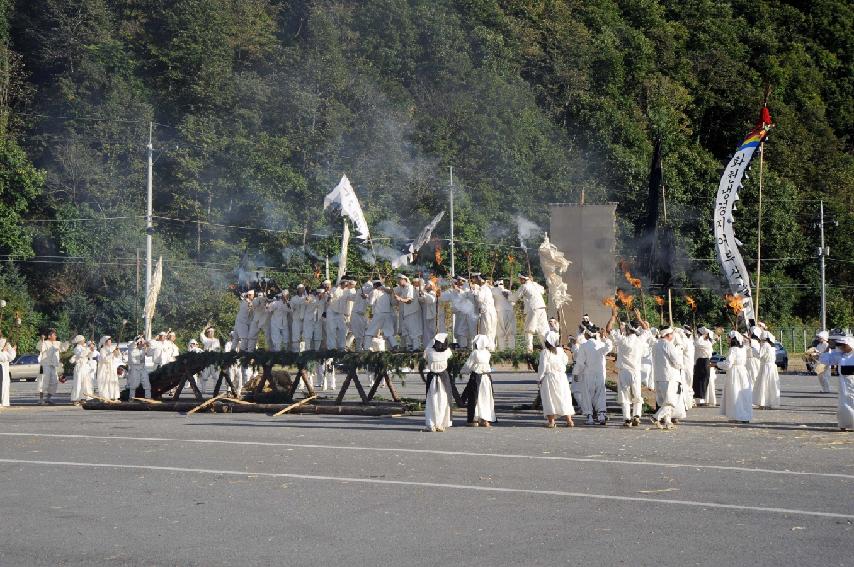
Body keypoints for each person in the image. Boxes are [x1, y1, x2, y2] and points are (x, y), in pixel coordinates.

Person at [606, 307, 648, 427]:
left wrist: (613, 316)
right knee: (637, 395)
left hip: (624, 372)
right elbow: (646, 329)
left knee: (625, 396)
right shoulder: (640, 340)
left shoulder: (622, 340)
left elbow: (608, 329)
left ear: (628, 330)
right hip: (635, 372)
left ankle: (627, 419)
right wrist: (639, 318)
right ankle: (637, 415)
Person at [573, 325, 612, 425]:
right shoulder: (601, 344)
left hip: (588, 374)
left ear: (587, 334)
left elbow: (580, 363)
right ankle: (601, 415)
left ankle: (590, 417)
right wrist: (605, 338)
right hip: (600, 374)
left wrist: (576, 373)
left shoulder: (584, 346)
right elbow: (609, 347)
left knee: (587, 396)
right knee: (600, 394)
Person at [538, 330, 574, 428]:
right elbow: (566, 361)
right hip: (562, 377)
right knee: (564, 397)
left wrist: (540, 378)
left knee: (550, 398)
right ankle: (569, 420)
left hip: (550, 377)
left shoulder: (545, 352)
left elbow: (542, 366)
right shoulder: (560, 351)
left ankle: (551, 421)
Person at [817, 336, 854, 431]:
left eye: (844, 346)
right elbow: (826, 359)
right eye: (841, 346)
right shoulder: (839, 355)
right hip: (844, 384)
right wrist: (818, 355)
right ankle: (844, 424)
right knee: (843, 405)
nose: (842, 348)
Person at [650, 327, 683, 430]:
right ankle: (656, 417)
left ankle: (668, 422)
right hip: (670, 377)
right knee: (670, 402)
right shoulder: (668, 345)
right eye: (672, 334)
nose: (672, 336)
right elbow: (676, 361)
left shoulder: (655, 345)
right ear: (668, 335)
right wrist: (681, 366)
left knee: (665, 401)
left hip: (659, 377)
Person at [716, 331, 752, 423]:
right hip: (743, 372)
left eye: (728, 337)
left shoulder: (733, 349)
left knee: (735, 393)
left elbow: (728, 364)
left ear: (732, 339)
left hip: (735, 372)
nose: (727, 339)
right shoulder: (743, 348)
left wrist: (717, 364)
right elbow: (749, 343)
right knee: (743, 395)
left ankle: (737, 416)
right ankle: (745, 416)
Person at [460, 334, 496, 427]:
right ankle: (485, 419)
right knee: (485, 397)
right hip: (486, 378)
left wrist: (462, 371)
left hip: (477, 378)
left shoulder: (475, 353)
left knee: (475, 398)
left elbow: (468, 365)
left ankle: (474, 419)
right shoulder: (488, 353)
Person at [423, 333, 454, 432]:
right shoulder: (447, 352)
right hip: (443, 377)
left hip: (433, 378)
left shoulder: (429, 351)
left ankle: (431, 424)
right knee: (443, 401)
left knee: (432, 401)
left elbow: (425, 356)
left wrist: (432, 341)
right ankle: (440, 424)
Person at [510, 274, 548, 352]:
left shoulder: (524, 286)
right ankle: (547, 348)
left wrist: (507, 296)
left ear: (523, 279)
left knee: (529, 330)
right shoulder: (535, 284)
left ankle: (529, 351)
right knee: (543, 329)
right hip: (541, 308)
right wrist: (533, 282)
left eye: (520, 279)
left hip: (533, 309)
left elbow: (515, 297)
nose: (520, 281)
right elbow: (543, 291)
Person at [364, 281, 398, 351]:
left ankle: (366, 348)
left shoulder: (375, 291)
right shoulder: (386, 292)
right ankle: (395, 345)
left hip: (378, 314)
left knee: (370, 331)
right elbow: (392, 303)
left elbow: (371, 303)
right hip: (388, 314)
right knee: (389, 332)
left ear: (374, 286)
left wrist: (365, 298)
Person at [38, 329, 68, 405]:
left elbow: (64, 349)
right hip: (45, 365)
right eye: (54, 335)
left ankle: (48, 398)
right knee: (43, 381)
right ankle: (41, 399)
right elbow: (41, 349)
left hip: (53, 365)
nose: (56, 336)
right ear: (49, 336)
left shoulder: (57, 343)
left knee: (54, 382)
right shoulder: (45, 343)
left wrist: (67, 341)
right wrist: (42, 340)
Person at [393, 275, 422, 351]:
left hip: (412, 312)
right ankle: (410, 348)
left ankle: (416, 348)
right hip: (406, 313)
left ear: (404, 279)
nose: (398, 282)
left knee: (413, 331)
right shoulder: (403, 289)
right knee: (407, 331)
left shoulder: (410, 287)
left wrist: (400, 299)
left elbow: (409, 300)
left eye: (399, 280)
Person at [753, 330, 781, 409]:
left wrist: (753, 349)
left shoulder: (765, 345)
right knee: (771, 385)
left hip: (766, 367)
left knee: (764, 384)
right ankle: (770, 402)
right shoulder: (771, 346)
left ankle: (763, 403)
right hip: (771, 367)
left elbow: (759, 355)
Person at [472, 274, 497, 350]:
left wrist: (474, 292)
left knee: (487, 331)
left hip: (486, 312)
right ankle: (492, 348)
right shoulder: (488, 288)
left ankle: (488, 349)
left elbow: (480, 299)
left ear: (480, 280)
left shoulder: (483, 288)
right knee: (491, 331)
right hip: (492, 311)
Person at [693, 327, 715, 406]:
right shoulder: (706, 342)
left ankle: (701, 400)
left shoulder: (706, 342)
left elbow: (697, 343)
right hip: (700, 361)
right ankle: (700, 400)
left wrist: (702, 336)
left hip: (704, 361)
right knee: (698, 381)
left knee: (703, 381)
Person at [492, 280, 516, 350]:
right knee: (511, 332)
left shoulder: (493, 290)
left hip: (500, 312)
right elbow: (513, 303)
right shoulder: (508, 291)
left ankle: (502, 350)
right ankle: (512, 350)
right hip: (510, 311)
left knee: (500, 332)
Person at [69, 334, 94, 403]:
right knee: (78, 383)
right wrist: (88, 349)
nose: (84, 340)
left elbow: (90, 356)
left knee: (86, 383)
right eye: (83, 339)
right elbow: (81, 354)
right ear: (80, 341)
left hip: (85, 367)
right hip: (79, 367)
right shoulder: (76, 348)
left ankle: (84, 397)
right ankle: (76, 399)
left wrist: (91, 350)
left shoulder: (84, 347)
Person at [96, 335, 121, 401]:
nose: (110, 342)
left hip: (112, 368)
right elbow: (105, 360)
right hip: (105, 369)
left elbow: (117, 356)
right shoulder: (102, 350)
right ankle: (105, 397)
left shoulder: (112, 348)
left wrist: (117, 351)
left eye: (110, 341)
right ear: (105, 342)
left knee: (113, 381)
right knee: (105, 382)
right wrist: (112, 353)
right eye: (109, 341)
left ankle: (114, 397)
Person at [0, 336, 17, 407]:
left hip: (5, 367)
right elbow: (2, 357)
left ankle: (5, 402)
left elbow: (11, 357)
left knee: (6, 384)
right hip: (1, 366)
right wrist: (4, 351)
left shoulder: (7, 343)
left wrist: (13, 350)